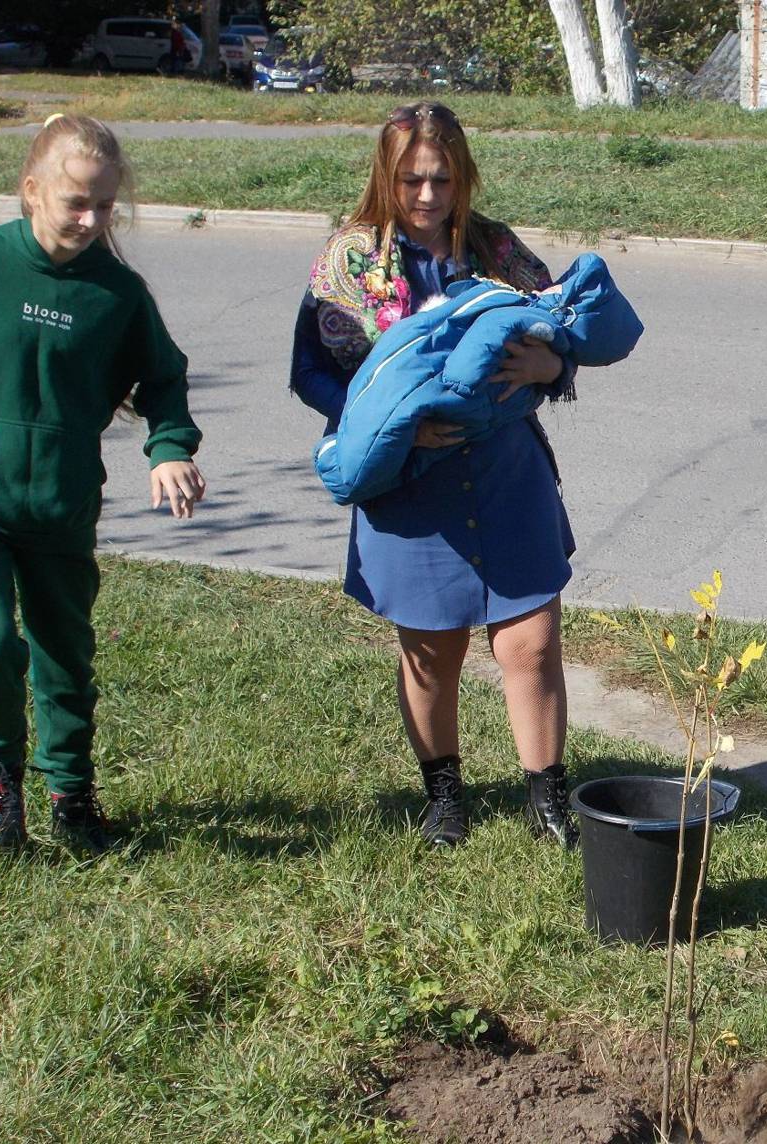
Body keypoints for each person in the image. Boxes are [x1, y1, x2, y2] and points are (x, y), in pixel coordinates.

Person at [0, 113, 207, 855]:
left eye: (104, 207)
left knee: (66, 653)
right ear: (32, 191)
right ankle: (0, 775)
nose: (90, 220)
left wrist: (169, 448)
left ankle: (72, 794)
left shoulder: (116, 294)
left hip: (58, 503)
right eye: (75, 203)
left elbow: (164, 378)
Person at [289, 101, 580, 850]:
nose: (426, 196)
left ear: (464, 176)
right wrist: (387, 418)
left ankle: (548, 801)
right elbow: (311, 370)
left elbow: (563, 331)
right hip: (409, 486)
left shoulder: (498, 251)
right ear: (387, 177)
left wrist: (553, 365)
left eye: (442, 179)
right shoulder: (349, 262)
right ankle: (444, 795)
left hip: (506, 477)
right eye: (412, 180)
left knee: (533, 642)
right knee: (430, 648)